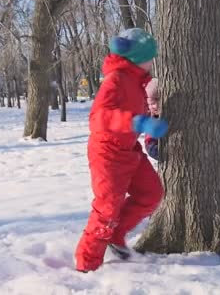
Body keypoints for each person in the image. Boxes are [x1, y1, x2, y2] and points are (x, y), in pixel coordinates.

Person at [75, 28, 167, 273]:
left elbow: (142, 109)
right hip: (106, 152)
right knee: (106, 208)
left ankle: (116, 235)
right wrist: (136, 122)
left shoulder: (138, 82)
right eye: (149, 58)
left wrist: (150, 124)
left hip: (129, 150)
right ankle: (86, 264)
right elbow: (98, 118)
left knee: (151, 193)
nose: (152, 63)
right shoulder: (115, 80)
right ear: (137, 58)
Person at [144, 78, 160, 160]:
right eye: (152, 103)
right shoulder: (151, 119)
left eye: (159, 102)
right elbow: (148, 140)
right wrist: (153, 148)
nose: (156, 106)